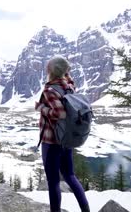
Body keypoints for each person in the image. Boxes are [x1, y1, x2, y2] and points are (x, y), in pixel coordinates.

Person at [35, 56, 90, 212]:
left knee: (53, 182)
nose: (46, 69)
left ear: (52, 70)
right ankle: (86, 209)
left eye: (48, 66)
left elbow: (60, 113)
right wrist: (67, 73)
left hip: (51, 141)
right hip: (66, 139)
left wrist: (41, 108)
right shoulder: (69, 86)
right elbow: (69, 82)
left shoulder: (50, 89)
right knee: (70, 176)